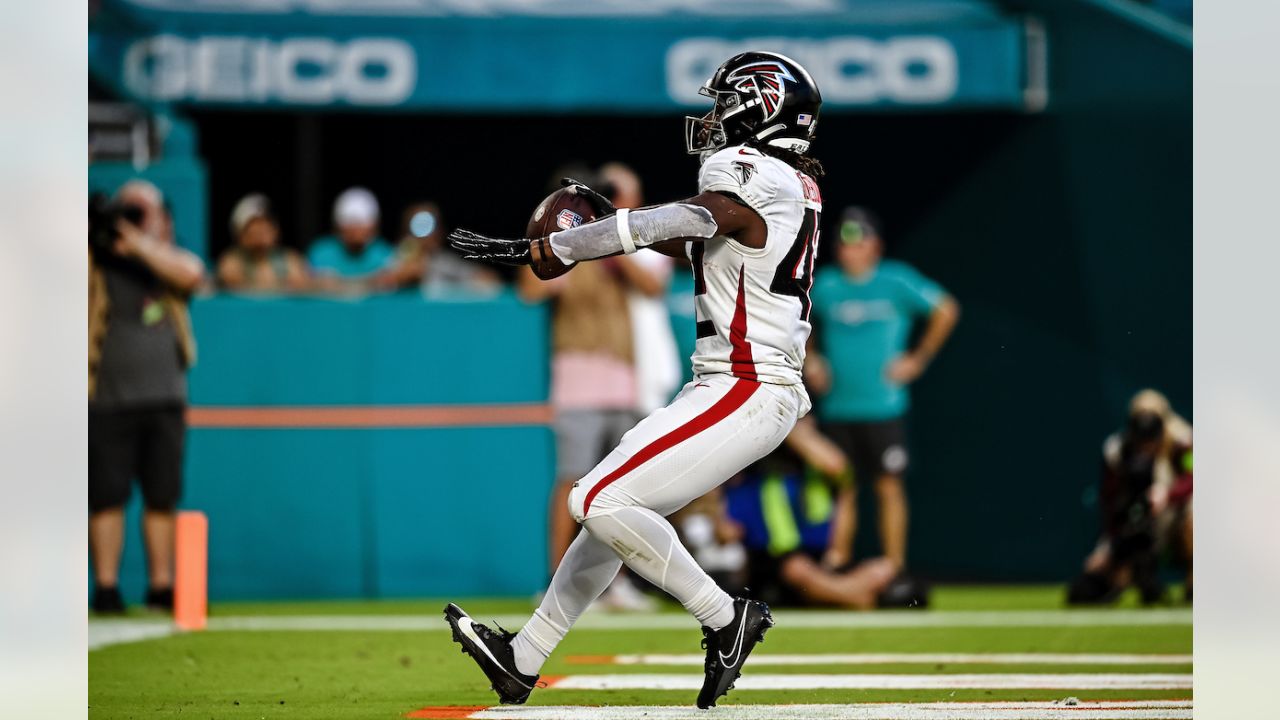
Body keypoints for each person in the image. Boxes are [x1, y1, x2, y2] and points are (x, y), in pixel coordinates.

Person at [444, 51, 824, 709]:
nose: (711, 118)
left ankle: (723, 616)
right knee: (607, 514)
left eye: (723, 102)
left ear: (756, 108)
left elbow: (686, 221)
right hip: (732, 382)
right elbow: (699, 241)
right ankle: (522, 659)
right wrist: (606, 232)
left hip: (747, 382)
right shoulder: (786, 184)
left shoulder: (749, 171)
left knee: (597, 499)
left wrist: (565, 245)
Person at [516, 169, 664, 613]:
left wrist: (612, 235)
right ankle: (555, 581)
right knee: (571, 480)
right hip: (578, 381)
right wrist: (557, 244)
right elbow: (529, 289)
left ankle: (614, 585)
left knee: (621, 489)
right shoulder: (568, 246)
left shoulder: (628, 239)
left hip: (625, 381)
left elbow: (654, 286)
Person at [808, 208, 959, 573]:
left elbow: (946, 309)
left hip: (883, 407)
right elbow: (800, 321)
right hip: (838, 406)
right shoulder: (826, 284)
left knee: (888, 487)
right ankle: (837, 562)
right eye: (844, 242)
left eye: (858, 242)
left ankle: (894, 567)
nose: (850, 250)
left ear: (875, 245)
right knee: (842, 488)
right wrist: (811, 359)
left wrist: (917, 360)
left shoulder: (895, 280)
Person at [88, 180, 205, 613]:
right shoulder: (97, 262)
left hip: (164, 396)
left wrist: (138, 240)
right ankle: (105, 587)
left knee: (162, 494)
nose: (133, 216)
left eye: (143, 209)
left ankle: (161, 585)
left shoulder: (164, 260)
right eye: (127, 209)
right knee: (105, 495)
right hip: (106, 397)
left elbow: (192, 273)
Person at [723, 417, 898, 610]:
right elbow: (729, 529)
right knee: (797, 569)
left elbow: (838, 467)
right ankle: (853, 596)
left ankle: (837, 593)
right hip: (778, 563)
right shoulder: (754, 477)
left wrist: (801, 433)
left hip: (822, 560)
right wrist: (783, 425)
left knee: (884, 568)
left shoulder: (816, 476)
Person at [1067, 389, 1193, 605]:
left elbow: (1195, 477)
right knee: (1088, 587)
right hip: (1137, 523)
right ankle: (1130, 576)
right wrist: (1108, 546)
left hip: (1176, 519)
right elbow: (1110, 502)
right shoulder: (1117, 450)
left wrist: (1168, 495)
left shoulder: (1182, 442)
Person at [393, 201, 501, 294]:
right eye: (419, 225)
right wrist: (402, 277)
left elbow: (488, 279)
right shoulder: (392, 260)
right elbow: (381, 284)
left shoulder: (444, 262)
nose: (427, 233)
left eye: (431, 225)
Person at [307, 187, 398, 292]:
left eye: (362, 222)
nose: (355, 229)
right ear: (338, 225)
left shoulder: (385, 254)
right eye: (350, 222)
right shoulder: (320, 252)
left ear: (374, 225)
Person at [215, 193, 309, 292]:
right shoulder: (231, 262)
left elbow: (301, 282)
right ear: (240, 233)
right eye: (253, 227)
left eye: (266, 226)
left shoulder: (291, 260)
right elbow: (231, 277)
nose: (260, 232)